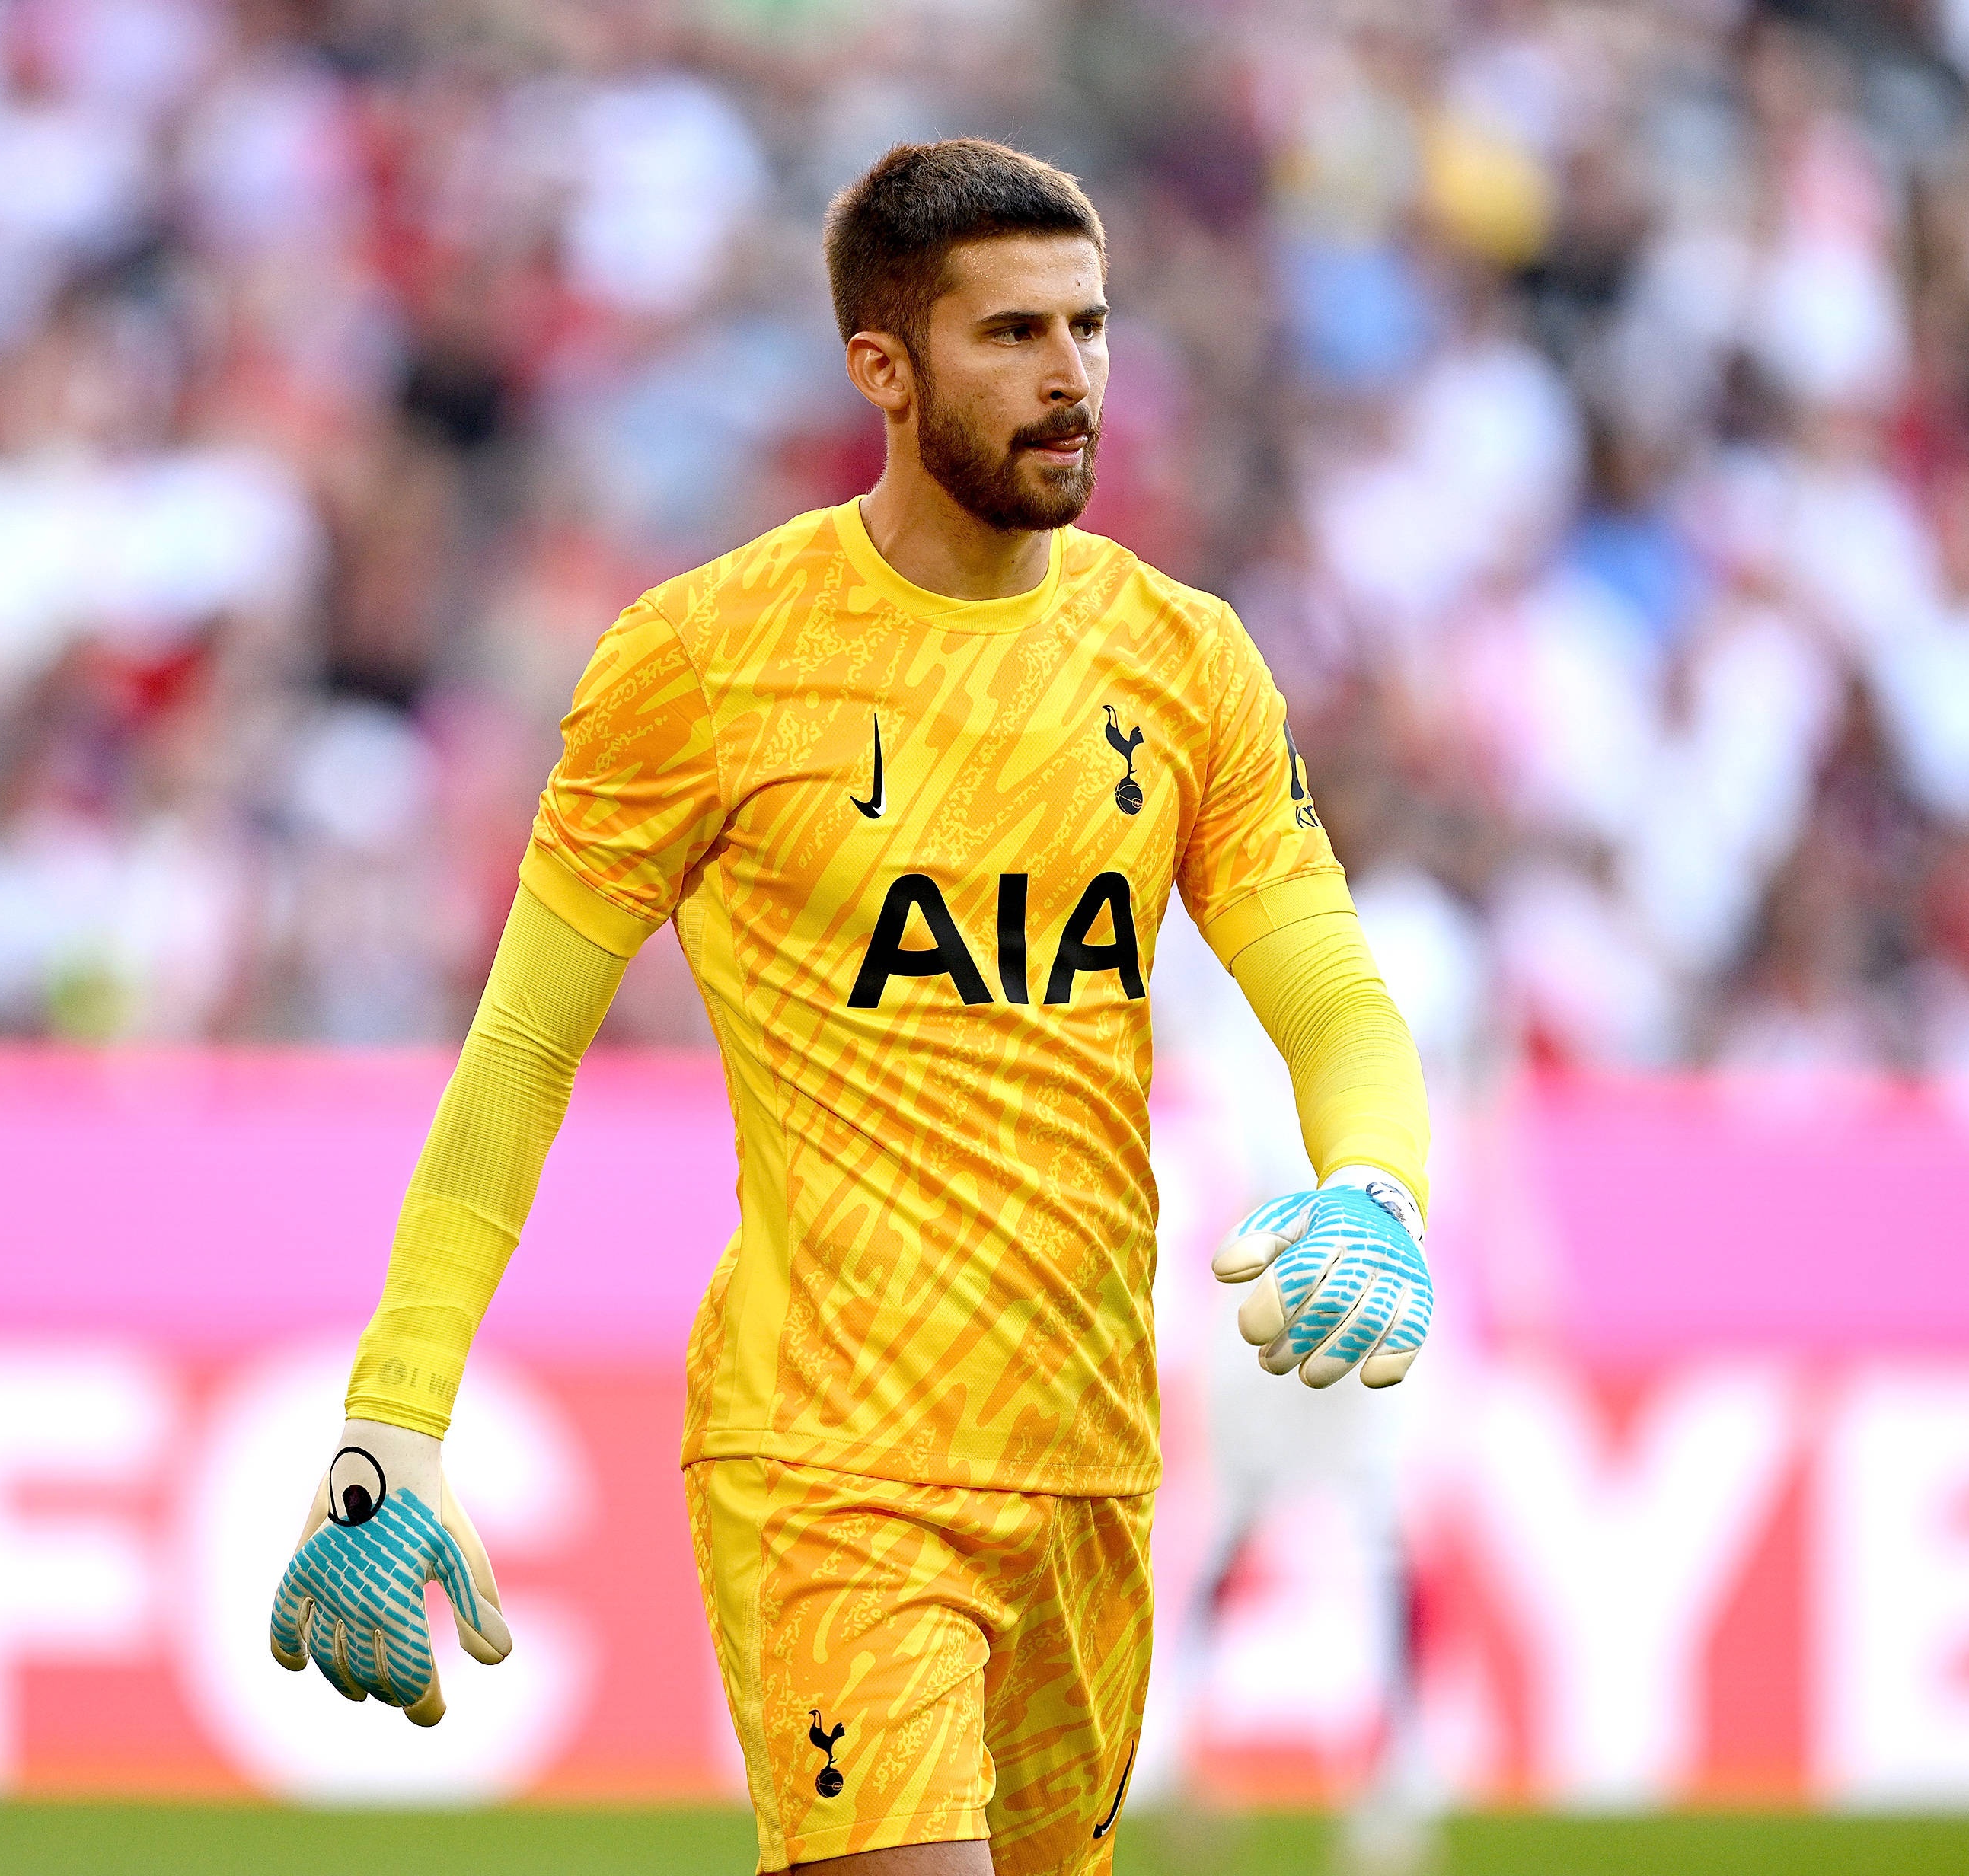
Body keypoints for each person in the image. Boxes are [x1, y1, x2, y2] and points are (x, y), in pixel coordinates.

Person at [265, 139, 1438, 1876]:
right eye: (1012, 334)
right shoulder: (705, 661)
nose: (1071, 375)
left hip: (1089, 1454)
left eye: (1090, 325)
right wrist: (393, 1415)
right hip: (830, 1457)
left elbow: (1331, 990)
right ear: (882, 369)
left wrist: (1379, 1185)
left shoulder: (1185, 660)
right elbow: (518, 1052)